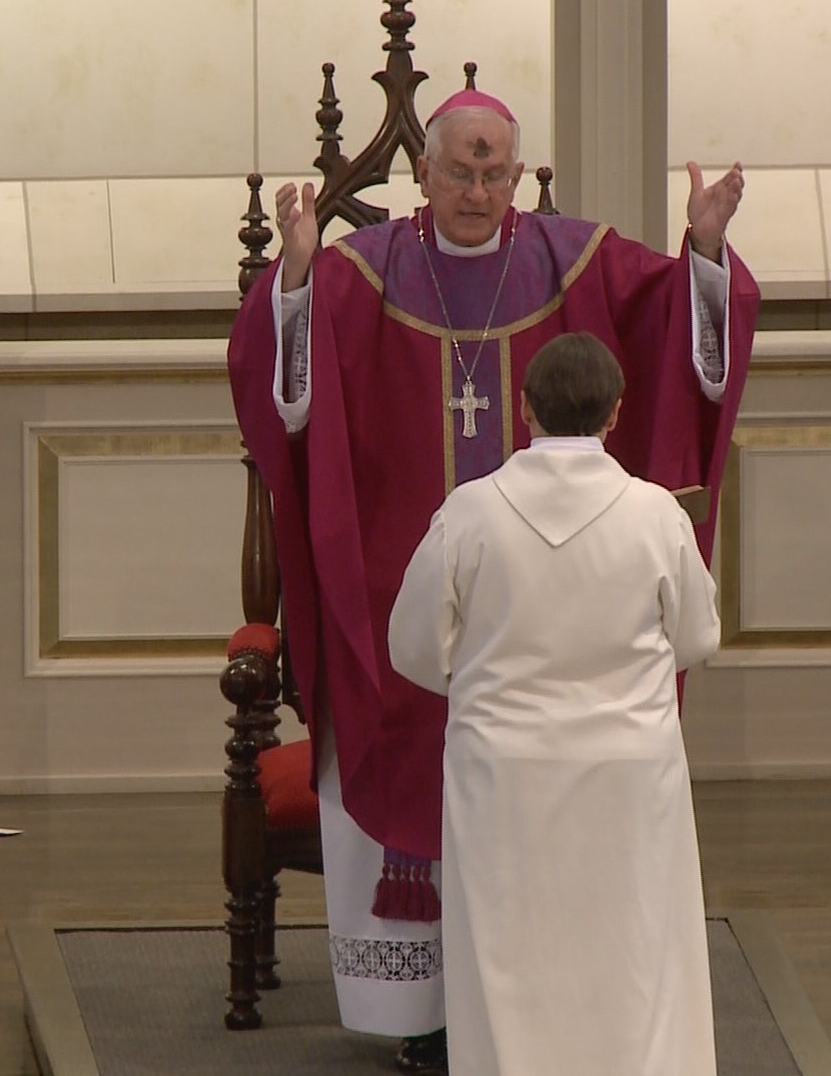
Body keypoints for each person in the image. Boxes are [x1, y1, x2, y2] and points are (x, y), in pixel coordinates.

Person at [225, 86, 756, 1073]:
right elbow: (284, 391)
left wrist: (706, 251)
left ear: (516, 175)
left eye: (495, 171)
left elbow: (671, 324)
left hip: (502, 646)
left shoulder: (573, 260)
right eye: (460, 170)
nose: (477, 190)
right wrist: (293, 277)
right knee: (397, 721)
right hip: (390, 578)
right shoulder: (361, 270)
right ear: (421, 171)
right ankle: (427, 1013)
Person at [387, 331, 722, 1075]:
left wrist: (482, 686)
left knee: (506, 957)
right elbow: (698, 637)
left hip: (502, 771)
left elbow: (411, 646)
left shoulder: (470, 513)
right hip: (629, 770)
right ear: (615, 414)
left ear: (523, 407)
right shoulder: (655, 514)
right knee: (635, 950)